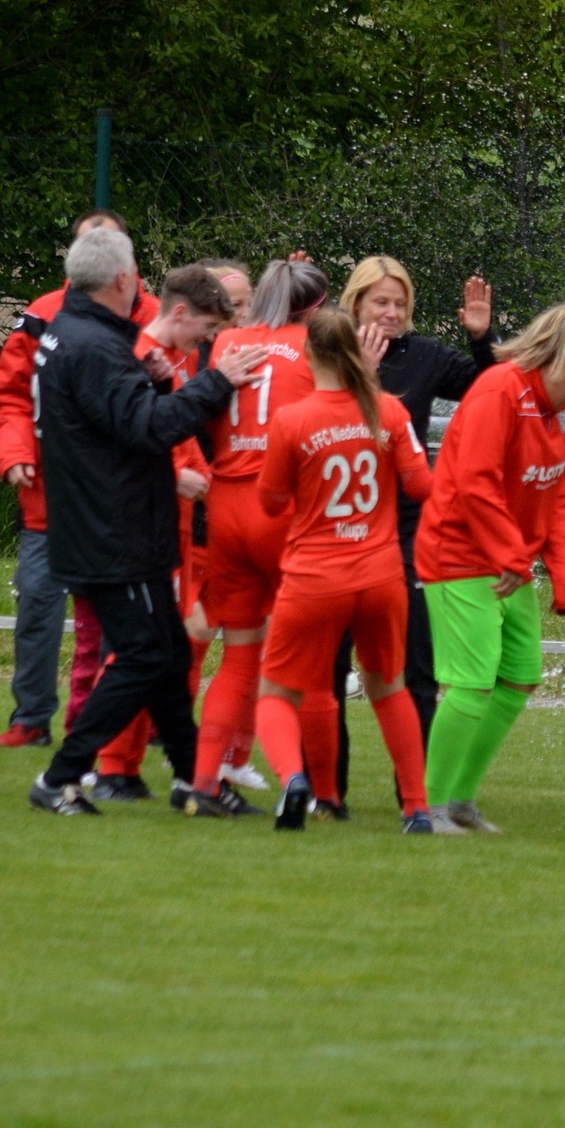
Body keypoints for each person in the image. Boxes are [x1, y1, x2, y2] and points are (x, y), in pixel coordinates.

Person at [26, 228, 266, 814]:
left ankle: (192, 780)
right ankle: (61, 775)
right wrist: (217, 382)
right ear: (121, 280)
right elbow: (149, 428)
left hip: (112, 525)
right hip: (113, 531)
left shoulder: (78, 334)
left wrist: (157, 380)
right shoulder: (95, 345)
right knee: (143, 655)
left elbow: (114, 417)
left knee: (164, 653)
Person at [416, 304, 565, 833]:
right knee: (473, 682)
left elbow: (558, 492)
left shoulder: (560, 413)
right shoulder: (499, 391)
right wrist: (513, 558)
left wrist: (562, 578)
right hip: (458, 555)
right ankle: (427, 808)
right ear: (559, 362)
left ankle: (459, 801)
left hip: (508, 563)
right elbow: (475, 483)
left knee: (520, 677)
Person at [252, 307, 438, 830]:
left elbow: (269, 502)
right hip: (381, 575)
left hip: (315, 576)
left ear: (310, 354)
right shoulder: (390, 413)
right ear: (358, 352)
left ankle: (295, 781)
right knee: (389, 687)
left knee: (278, 692)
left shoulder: (293, 419)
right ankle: (416, 807)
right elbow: (422, 488)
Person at [325, 255, 498, 812]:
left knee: (417, 668)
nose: (393, 312)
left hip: (406, 532)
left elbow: (491, 388)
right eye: (381, 302)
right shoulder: (329, 354)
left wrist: (481, 337)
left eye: (401, 303)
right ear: (355, 305)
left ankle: (415, 797)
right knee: (329, 668)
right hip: (335, 530)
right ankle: (329, 794)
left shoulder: (423, 355)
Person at [0, 209, 151, 748]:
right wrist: (14, 452)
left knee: (123, 616)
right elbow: (10, 393)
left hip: (120, 495)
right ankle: (31, 718)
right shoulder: (42, 315)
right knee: (38, 597)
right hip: (49, 492)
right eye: (91, 243)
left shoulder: (155, 316)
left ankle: (124, 726)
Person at [182, 258, 330, 816]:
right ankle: (317, 791)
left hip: (225, 509)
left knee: (238, 656)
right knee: (306, 658)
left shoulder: (228, 342)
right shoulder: (314, 345)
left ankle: (202, 782)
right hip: (282, 508)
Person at [85, 265, 234, 802]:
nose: (210, 339)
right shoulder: (137, 358)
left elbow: (175, 431)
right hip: (145, 527)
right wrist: (180, 476)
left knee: (175, 643)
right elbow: (120, 442)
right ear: (179, 314)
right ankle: (104, 764)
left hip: (173, 525)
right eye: (207, 326)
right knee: (150, 647)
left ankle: (139, 768)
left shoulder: (173, 360)